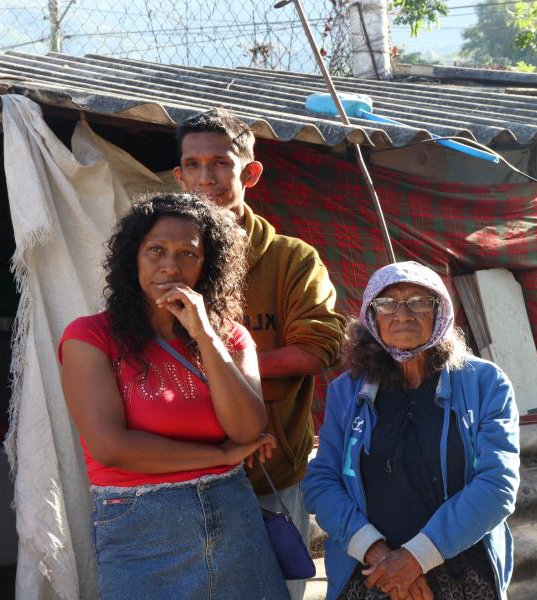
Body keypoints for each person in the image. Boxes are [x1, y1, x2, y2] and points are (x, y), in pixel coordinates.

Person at [58, 193, 290, 600]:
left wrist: (205, 333)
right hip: (141, 525)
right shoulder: (90, 337)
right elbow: (111, 447)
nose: (170, 265)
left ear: (208, 265)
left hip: (232, 513)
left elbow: (248, 426)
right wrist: (220, 456)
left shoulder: (230, 336)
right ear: (133, 258)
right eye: (156, 250)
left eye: (189, 253)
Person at [174, 109, 347, 599]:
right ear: (178, 175)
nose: (205, 178)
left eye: (220, 163)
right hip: (180, 471)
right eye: (193, 165)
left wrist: (215, 369)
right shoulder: (161, 255)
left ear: (250, 172)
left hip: (269, 473)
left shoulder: (292, 258)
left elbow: (315, 352)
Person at [303, 261, 520, 600]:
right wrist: (380, 556)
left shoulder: (484, 383)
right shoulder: (346, 392)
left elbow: (497, 485)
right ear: (371, 316)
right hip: (372, 572)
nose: (402, 314)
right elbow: (321, 481)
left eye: (420, 301)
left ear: (441, 311)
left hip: (463, 569)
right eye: (387, 303)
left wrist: (415, 558)